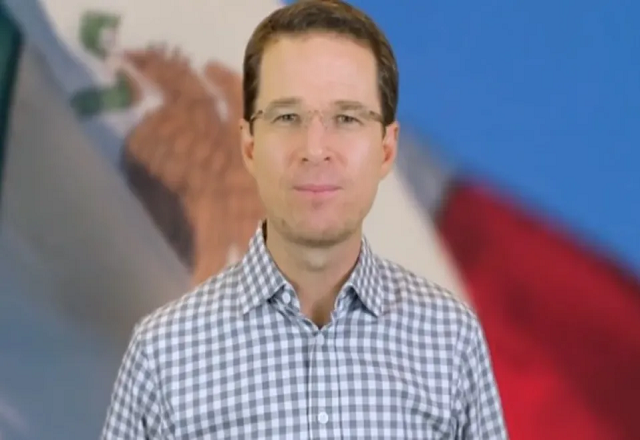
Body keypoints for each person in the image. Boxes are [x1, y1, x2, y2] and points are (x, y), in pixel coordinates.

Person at [100, 1, 507, 438]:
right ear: (249, 145)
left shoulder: (448, 345)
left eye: (346, 119)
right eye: (288, 117)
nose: (315, 150)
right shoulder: (162, 349)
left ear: (386, 150)